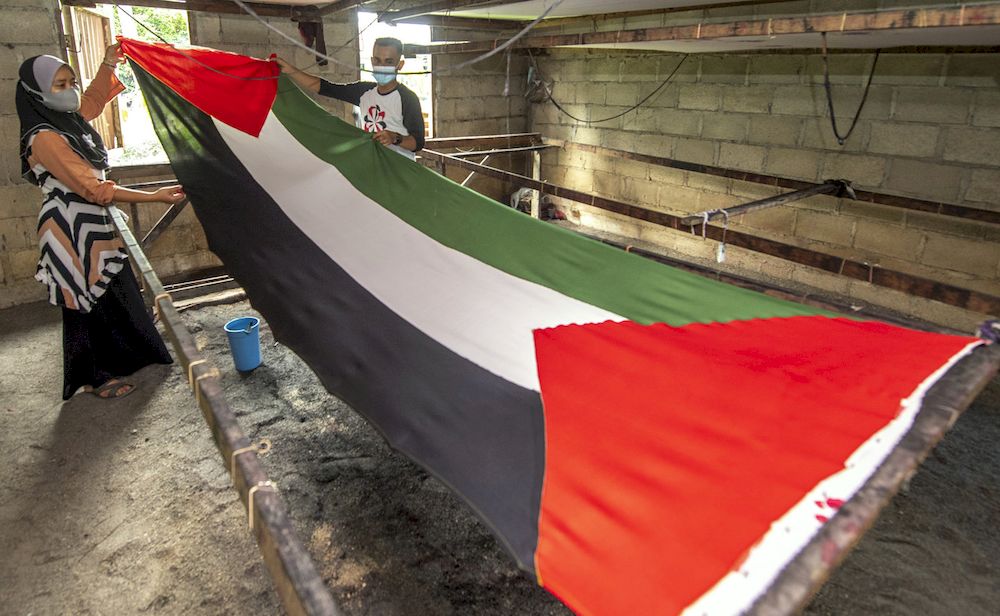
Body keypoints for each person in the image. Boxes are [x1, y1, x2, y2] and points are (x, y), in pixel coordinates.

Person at [16, 44, 182, 400]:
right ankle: (94, 375)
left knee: (114, 289)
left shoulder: (68, 121)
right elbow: (94, 189)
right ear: (37, 93)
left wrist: (107, 62)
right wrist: (153, 196)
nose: (69, 90)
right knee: (84, 300)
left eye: (70, 81)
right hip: (71, 225)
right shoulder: (45, 137)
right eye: (59, 85)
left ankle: (131, 354)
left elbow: (90, 102)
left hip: (92, 221)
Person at [275, 37, 425, 160]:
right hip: (373, 166)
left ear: (400, 65)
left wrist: (395, 138)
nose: (382, 66)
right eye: (378, 60)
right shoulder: (364, 92)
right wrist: (290, 70)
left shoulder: (407, 98)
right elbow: (325, 88)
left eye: (389, 62)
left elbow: (417, 142)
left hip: (400, 169)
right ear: (372, 61)